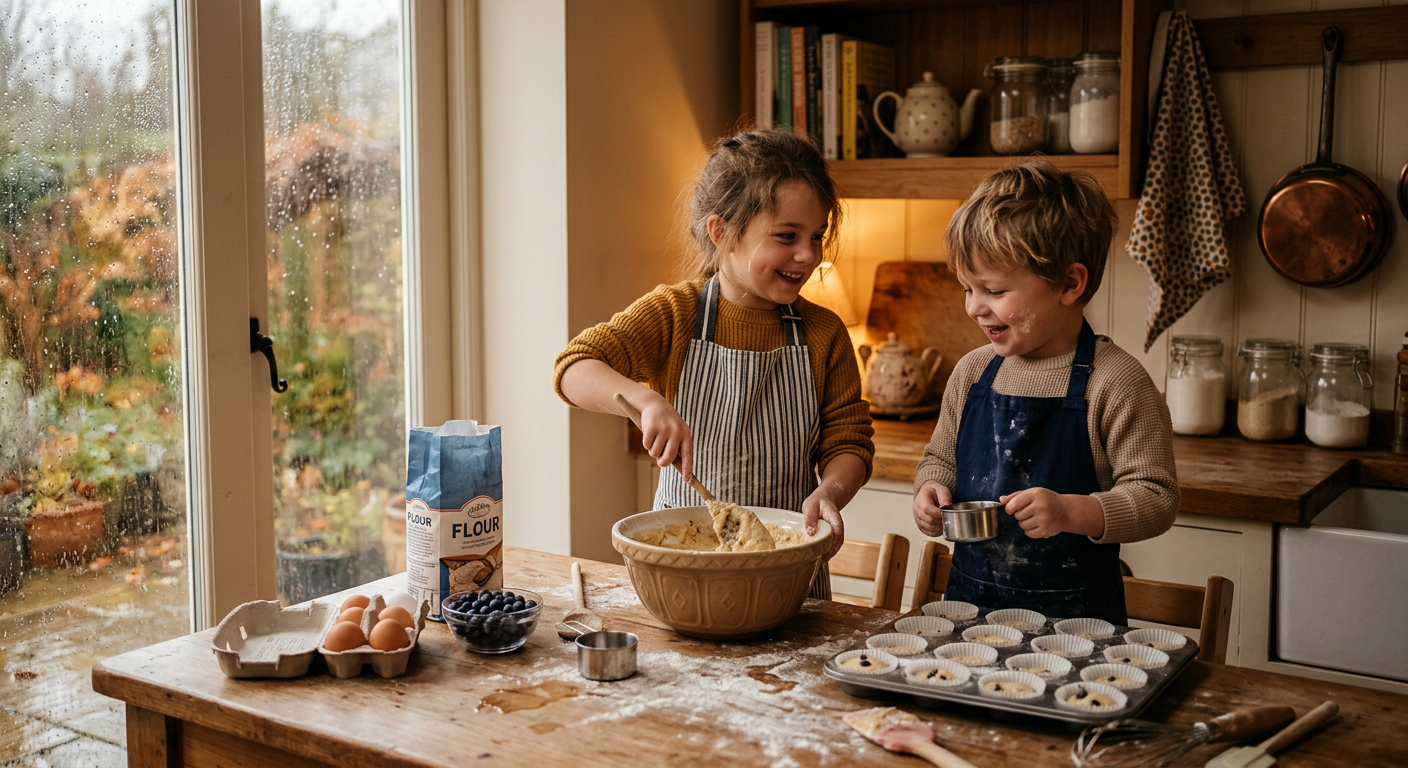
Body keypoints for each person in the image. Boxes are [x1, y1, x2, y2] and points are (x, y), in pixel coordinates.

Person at [554, 129, 873, 595]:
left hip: (788, 575)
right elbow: (573, 367)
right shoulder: (675, 314)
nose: (808, 255)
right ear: (721, 232)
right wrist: (646, 402)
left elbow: (849, 441)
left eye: (816, 236)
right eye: (787, 236)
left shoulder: (823, 334)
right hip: (685, 569)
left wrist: (831, 492)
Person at [911, 159, 1177, 624]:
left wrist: (1076, 512)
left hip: (1077, 629)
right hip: (969, 618)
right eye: (967, 288)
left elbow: (1156, 498)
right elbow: (940, 460)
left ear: (1069, 284)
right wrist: (931, 489)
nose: (974, 307)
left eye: (992, 290)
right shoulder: (973, 373)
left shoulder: (1115, 383)